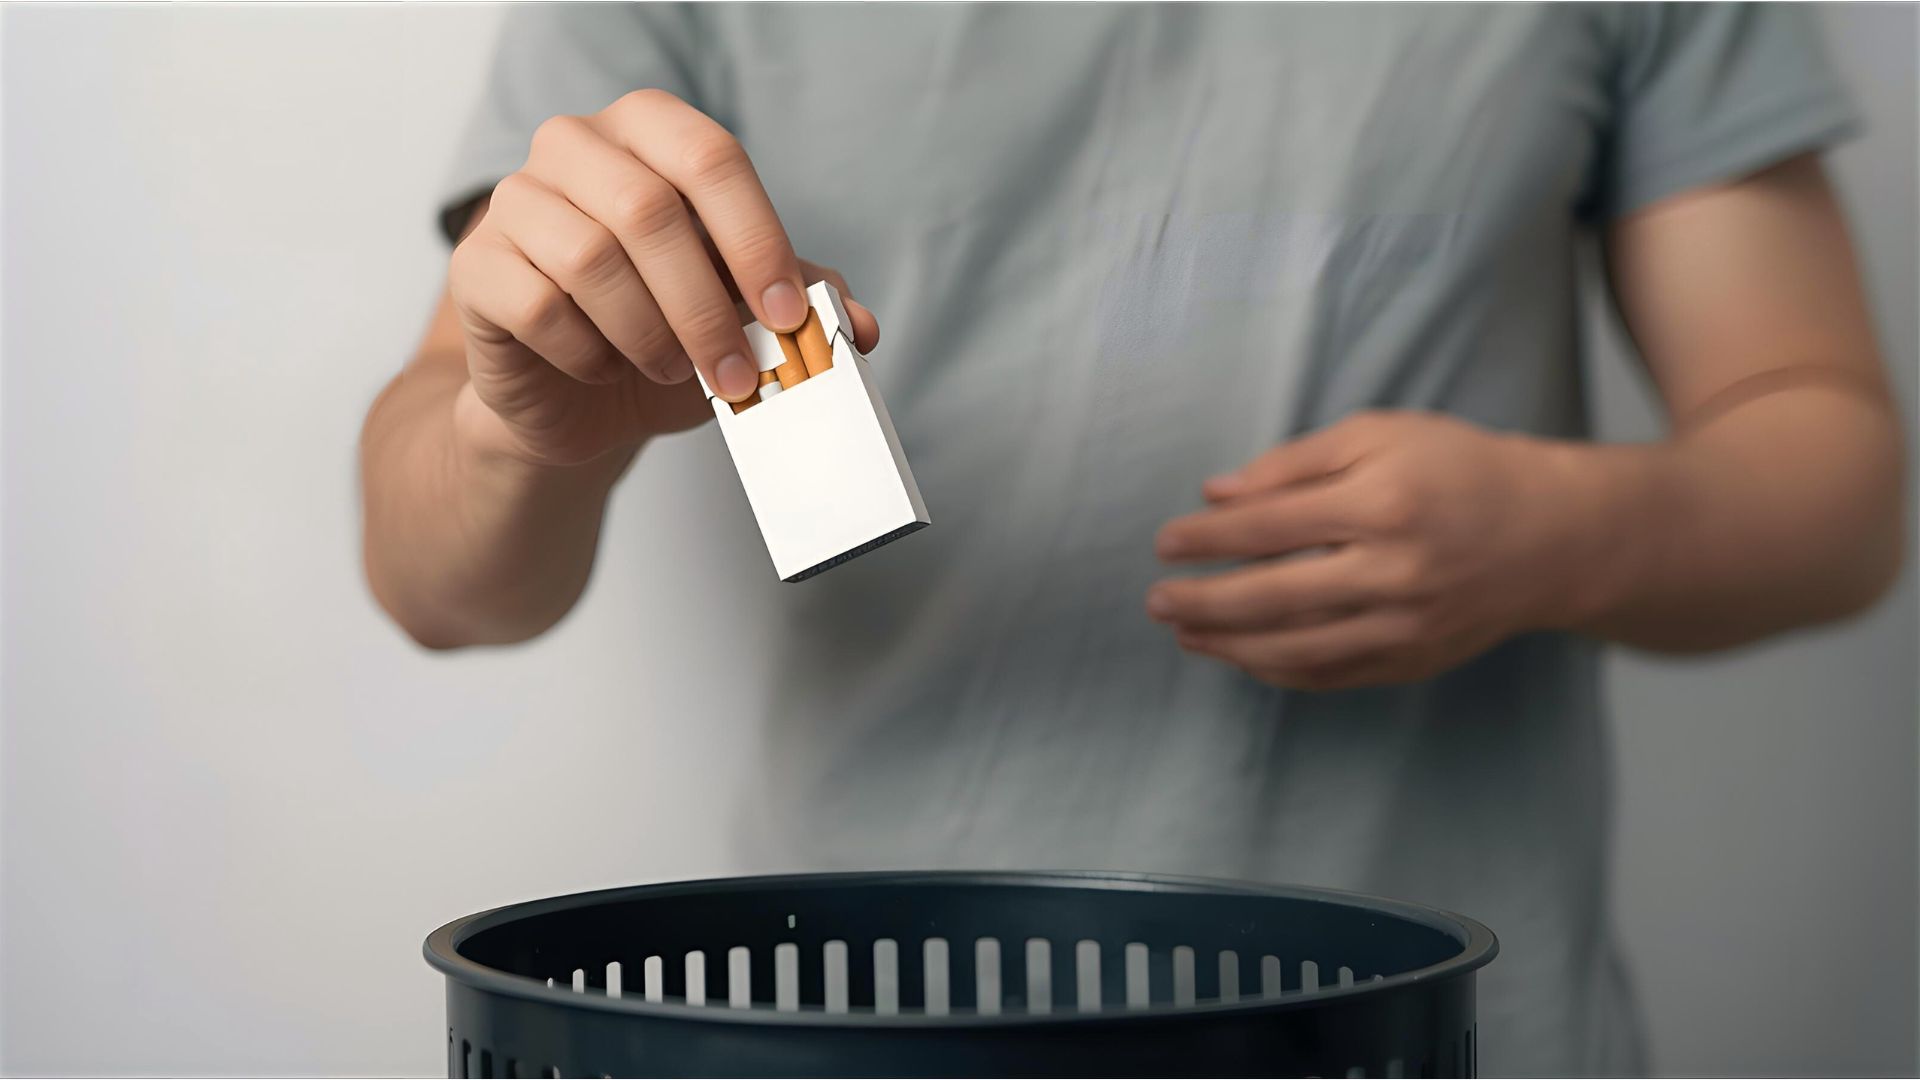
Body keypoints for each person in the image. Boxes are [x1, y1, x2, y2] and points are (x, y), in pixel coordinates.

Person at [359, 6, 1905, 1074]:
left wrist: (1572, 530)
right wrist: (511, 436)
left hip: (1441, 1037)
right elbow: (434, 579)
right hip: (855, 1034)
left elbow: (1837, 486)